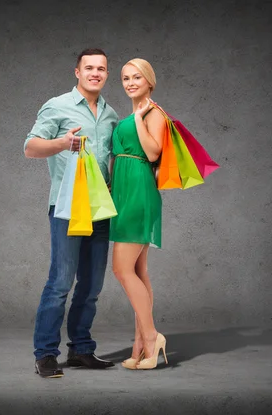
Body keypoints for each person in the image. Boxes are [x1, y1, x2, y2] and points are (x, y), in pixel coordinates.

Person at [23, 48, 119, 378]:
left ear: (107, 74)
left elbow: (112, 164)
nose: (95, 73)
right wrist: (63, 143)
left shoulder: (110, 115)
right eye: (89, 67)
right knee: (60, 282)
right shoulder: (58, 105)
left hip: (100, 210)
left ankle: (81, 350)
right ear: (76, 72)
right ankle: (45, 354)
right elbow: (30, 147)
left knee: (91, 285)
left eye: (101, 68)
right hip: (66, 209)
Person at [109, 58, 169, 370]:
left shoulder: (154, 113)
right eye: (125, 78)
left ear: (149, 80)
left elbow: (152, 152)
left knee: (121, 269)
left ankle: (151, 337)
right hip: (122, 194)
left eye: (137, 77)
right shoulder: (130, 116)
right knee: (139, 271)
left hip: (138, 193)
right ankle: (140, 348)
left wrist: (137, 118)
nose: (131, 82)